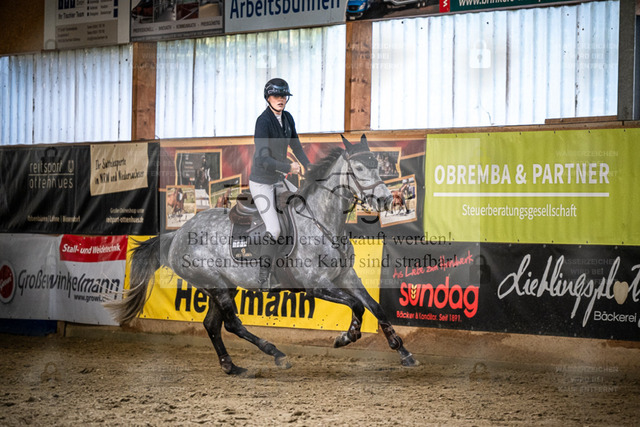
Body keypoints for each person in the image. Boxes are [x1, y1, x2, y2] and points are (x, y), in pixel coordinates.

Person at [249, 78, 310, 290]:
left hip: (277, 180)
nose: (281, 99)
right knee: (274, 229)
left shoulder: (288, 118)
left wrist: (311, 169)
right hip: (261, 182)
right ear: (268, 98)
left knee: (304, 206)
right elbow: (263, 159)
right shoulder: (263, 122)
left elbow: (297, 147)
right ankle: (263, 276)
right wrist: (288, 167)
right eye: (276, 96)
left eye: (284, 96)